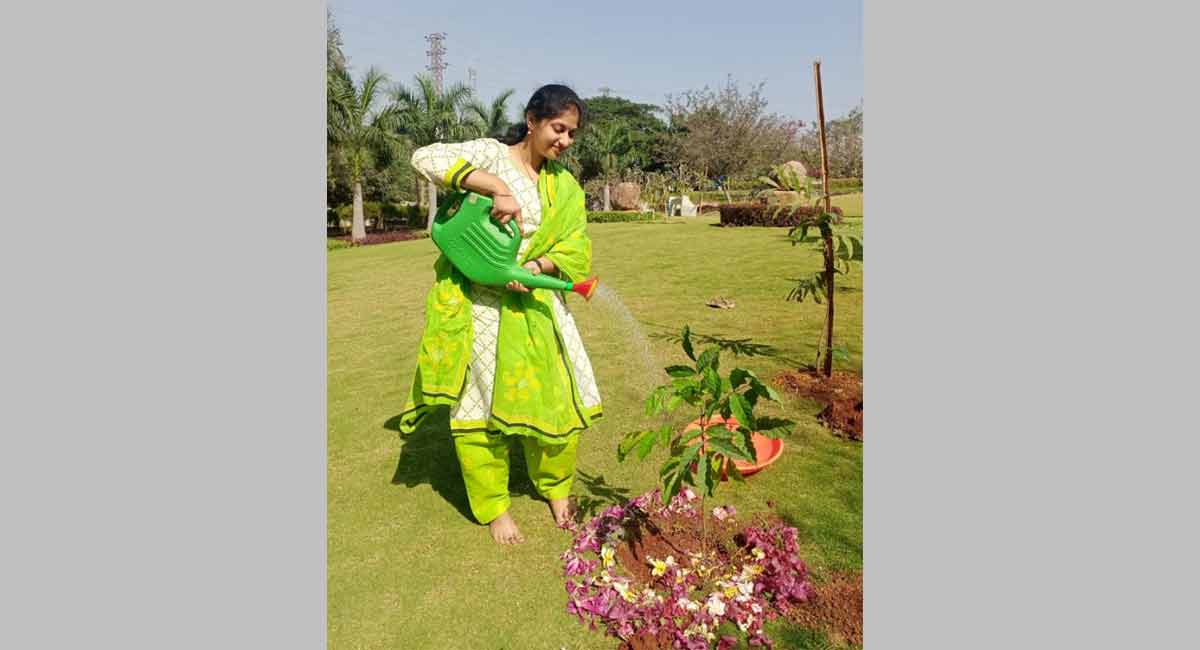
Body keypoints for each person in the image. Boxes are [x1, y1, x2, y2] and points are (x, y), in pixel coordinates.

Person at [398, 84, 602, 545]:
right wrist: (496, 187)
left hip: (534, 305)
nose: (565, 141)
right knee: (480, 406)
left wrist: (535, 267)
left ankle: (557, 491)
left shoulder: (563, 186)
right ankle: (494, 508)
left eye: (572, 133)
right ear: (531, 121)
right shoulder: (489, 155)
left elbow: (576, 245)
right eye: (557, 128)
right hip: (480, 309)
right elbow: (424, 158)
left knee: (555, 398)